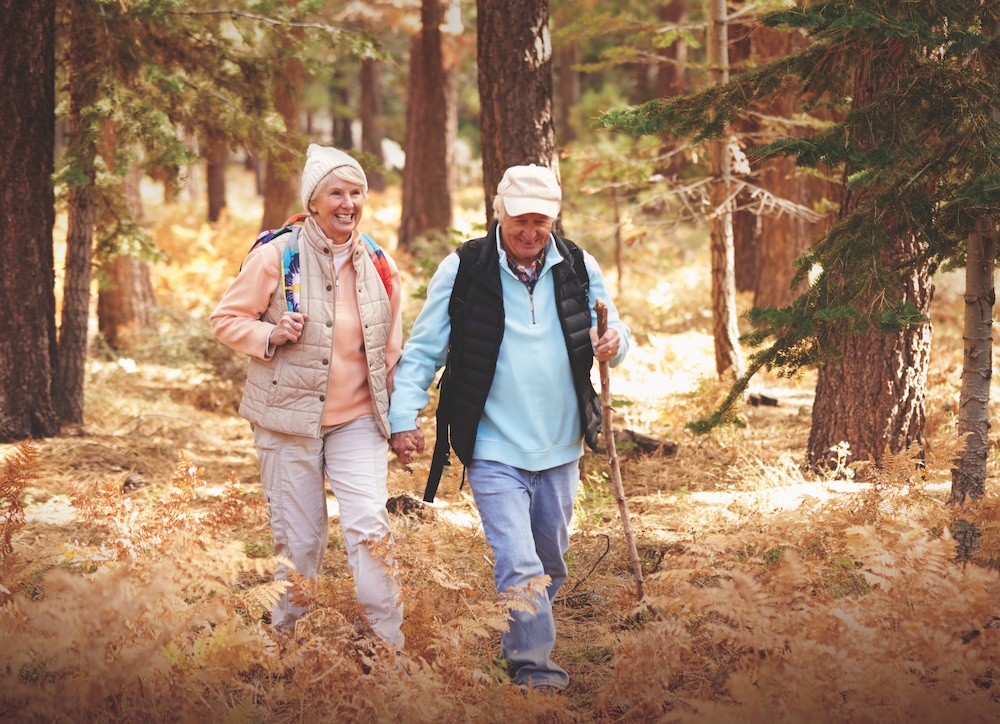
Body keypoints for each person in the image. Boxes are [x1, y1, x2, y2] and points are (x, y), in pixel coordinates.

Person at [388, 164, 629, 692]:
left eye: (540, 223)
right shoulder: (464, 268)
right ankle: (537, 675)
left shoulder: (578, 265)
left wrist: (615, 341)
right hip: (493, 443)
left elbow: (612, 326)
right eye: (520, 220)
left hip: (561, 443)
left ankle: (518, 636)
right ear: (499, 213)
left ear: (553, 221)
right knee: (519, 563)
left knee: (549, 563)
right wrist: (404, 417)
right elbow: (425, 350)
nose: (529, 232)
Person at [211, 144, 404, 649]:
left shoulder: (379, 263)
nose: (348, 203)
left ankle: (388, 646)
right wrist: (269, 335)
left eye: (356, 192)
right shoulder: (277, 254)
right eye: (335, 193)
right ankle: (283, 642)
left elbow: (392, 350)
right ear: (313, 202)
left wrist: (404, 419)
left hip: (357, 419)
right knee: (299, 542)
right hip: (287, 420)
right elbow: (226, 320)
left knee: (369, 527)